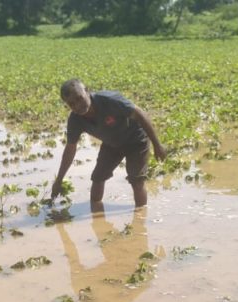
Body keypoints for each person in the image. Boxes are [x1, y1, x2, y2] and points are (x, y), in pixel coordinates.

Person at [51, 79, 167, 209]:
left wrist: (157, 145)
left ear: (87, 91)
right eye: (72, 104)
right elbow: (70, 149)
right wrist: (59, 180)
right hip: (112, 144)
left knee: (136, 180)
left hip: (135, 140)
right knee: (97, 177)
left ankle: (140, 216)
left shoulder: (108, 100)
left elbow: (139, 113)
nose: (78, 106)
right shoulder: (75, 120)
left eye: (79, 98)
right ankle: (96, 213)